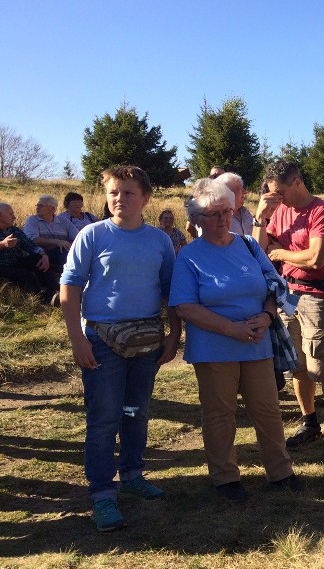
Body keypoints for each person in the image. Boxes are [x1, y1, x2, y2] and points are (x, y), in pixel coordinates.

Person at [59, 165, 181, 532]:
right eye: (114, 192)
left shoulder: (160, 241)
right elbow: (70, 289)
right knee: (104, 418)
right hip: (102, 342)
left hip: (145, 340)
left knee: (135, 411)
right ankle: (102, 494)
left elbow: (171, 292)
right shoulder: (92, 235)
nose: (119, 199)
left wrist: (174, 335)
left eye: (128, 193)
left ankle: (131, 474)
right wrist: (77, 339)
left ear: (145, 199)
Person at [170, 178, 304, 502]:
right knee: (219, 414)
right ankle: (225, 478)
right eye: (215, 213)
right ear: (197, 219)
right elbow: (184, 305)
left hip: (257, 343)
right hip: (215, 349)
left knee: (268, 409)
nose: (223, 219)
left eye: (227, 211)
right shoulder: (189, 257)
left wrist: (268, 316)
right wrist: (231, 329)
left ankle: (281, 472)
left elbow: (273, 285)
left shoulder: (248, 245)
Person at [252, 160, 324, 456]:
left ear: (297, 182)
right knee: (296, 365)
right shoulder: (277, 211)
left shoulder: (321, 210)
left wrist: (280, 252)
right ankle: (310, 422)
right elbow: (259, 254)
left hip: (315, 297)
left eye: (280, 192)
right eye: (272, 194)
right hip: (285, 295)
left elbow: (317, 258)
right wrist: (260, 218)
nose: (277, 199)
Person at [0, 202, 59, 304]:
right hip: (2, 267)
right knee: (26, 275)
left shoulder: (14, 230)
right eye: (10, 214)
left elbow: (29, 244)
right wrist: (3, 244)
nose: (14, 217)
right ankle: (43, 300)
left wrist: (43, 254)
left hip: (16, 263)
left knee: (38, 259)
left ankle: (56, 292)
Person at [23, 194, 79, 272]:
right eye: (37, 205)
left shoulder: (64, 222)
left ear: (52, 209)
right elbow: (31, 240)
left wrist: (68, 245)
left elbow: (78, 238)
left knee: (70, 251)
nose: (37, 207)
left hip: (61, 252)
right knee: (64, 253)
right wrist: (56, 242)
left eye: (41, 205)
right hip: (41, 254)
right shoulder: (32, 220)